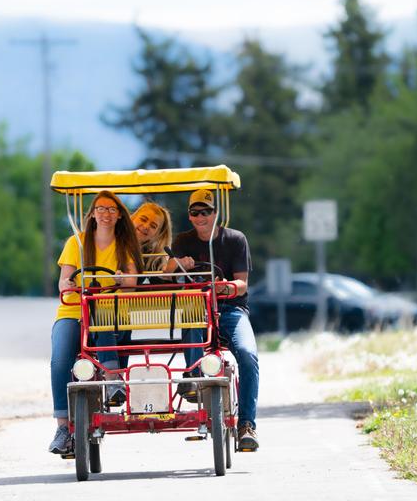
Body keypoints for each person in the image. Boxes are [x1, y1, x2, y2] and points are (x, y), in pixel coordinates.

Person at [48, 190, 143, 455]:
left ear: (119, 216)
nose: (106, 214)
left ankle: (113, 380)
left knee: (102, 318)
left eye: (112, 209)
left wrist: (119, 281)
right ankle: (63, 426)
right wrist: (68, 284)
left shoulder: (124, 245)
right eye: (100, 209)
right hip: (74, 311)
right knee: (60, 359)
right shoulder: (76, 243)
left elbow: (132, 285)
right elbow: (64, 283)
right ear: (92, 214)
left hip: (111, 311)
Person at [166, 189, 260, 452]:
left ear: (216, 213)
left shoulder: (235, 239)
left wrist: (225, 287)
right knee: (192, 318)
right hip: (196, 308)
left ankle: (246, 425)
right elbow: (165, 276)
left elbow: (242, 284)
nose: (200, 217)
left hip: (230, 309)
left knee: (248, 354)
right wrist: (176, 264)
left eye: (205, 212)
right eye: (195, 212)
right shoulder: (182, 241)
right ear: (189, 215)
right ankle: (194, 378)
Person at [132, 201, 173, 273]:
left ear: (157, 234)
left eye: (153, 226)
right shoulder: (112, 241)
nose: (146, 227)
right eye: (143, 219)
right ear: (133, 218)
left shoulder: (154, 260)